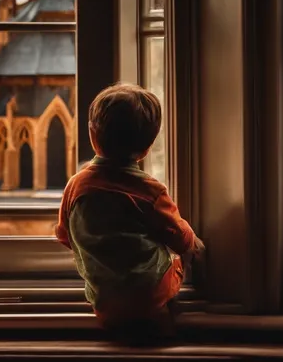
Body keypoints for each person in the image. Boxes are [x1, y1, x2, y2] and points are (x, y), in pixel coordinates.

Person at [55, 82, 205, 339]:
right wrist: (194, 243)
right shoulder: (150, 190)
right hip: (151, 292)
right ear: (148, 147)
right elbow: (180, 238)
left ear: (92, 136)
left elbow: (64, 235)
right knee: (192, 250)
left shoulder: (76, 186)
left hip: (105, 299)